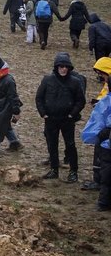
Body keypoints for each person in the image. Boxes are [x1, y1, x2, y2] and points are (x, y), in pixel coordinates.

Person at [36, 53, 87, 181]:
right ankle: (54, 169)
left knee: (70, 145)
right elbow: (39, 98)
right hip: (51, 118)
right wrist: (43, 113)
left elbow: (80, 101)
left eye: (66, 66)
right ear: (56, 67)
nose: (63, 69)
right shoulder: (47, 80)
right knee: (52, 144)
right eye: (61, 66)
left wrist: (72, 114)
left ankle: (73, 171)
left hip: (67, 119)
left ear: (69, 68)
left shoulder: (75, 82)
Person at [82, 66, 111, 212]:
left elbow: (97, 122)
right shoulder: (105, 102)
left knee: (106, 174)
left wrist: (97, 135)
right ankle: (104, 202)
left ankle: (104, 202)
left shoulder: (105, 102)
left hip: (106, 145)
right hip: (106, 144)